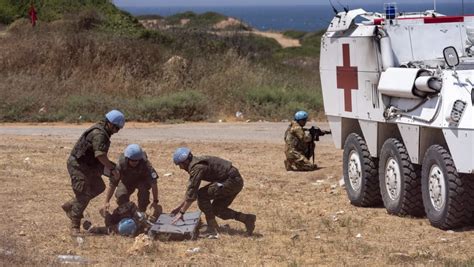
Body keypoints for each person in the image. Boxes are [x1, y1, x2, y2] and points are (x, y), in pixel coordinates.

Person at [61, 109, 125, 235]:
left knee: (99, 187)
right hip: (78, 165)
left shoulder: (103, 130)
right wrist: (111, 168)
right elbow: (100, 155)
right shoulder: (99, 134)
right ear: (110, 124)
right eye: (116, 128)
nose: (116, 131)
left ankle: (71, 205)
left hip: (89, 165)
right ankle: (75, 225)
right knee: (83, 194)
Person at [170, 147, 256, 236]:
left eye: (180, 165)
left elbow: (192, 192)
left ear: (185, 162)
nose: (180, 168)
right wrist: (180, 207)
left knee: (202, 195)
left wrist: (181, 212)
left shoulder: (197, 167)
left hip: (231, 181)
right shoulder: (196, 163)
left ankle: (212, 228)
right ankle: (247, 219)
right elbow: (191, 191)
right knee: (217, 210)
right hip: (232, 181)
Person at [103, 144, 161, 220]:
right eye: (132, 160)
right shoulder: (121, 164)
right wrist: (107, 201)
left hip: (141, 181)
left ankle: (141, 212)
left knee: (143, 192)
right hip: (127, 181)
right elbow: (113, 184)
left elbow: (154, 183)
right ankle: (127, 213)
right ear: (127, 158)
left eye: (136, 160)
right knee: (120, 195)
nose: (134, 162)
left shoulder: (146, 164)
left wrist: (155, 201)